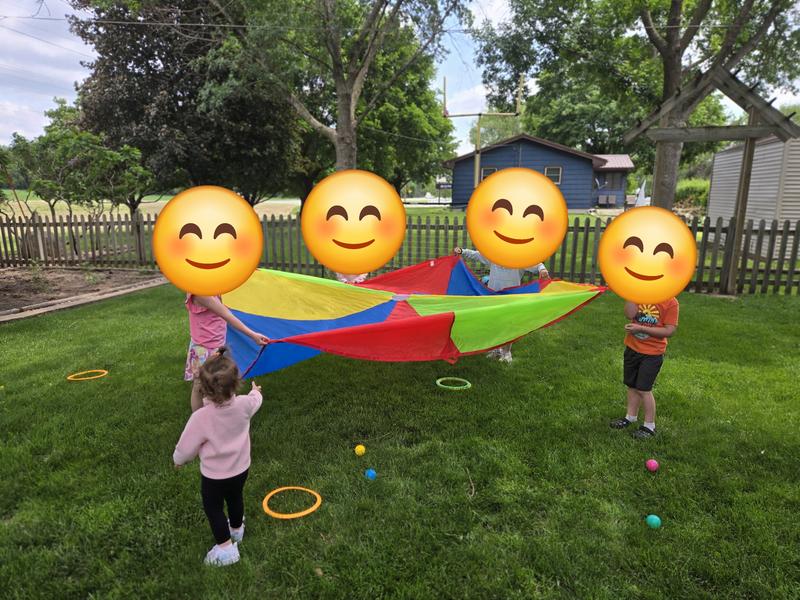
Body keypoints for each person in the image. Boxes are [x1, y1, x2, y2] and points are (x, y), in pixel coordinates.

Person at [174, 349, 263, 567]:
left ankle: (225, 549)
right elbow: (255, 400)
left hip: (214, 477)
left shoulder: (201, 417)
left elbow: (186, 448)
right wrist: (256, 391)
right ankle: (236, 529)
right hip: (241, 469)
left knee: (214, 508)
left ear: (204, 389)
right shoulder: (244, 405)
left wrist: (178, 459)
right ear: (235, 384)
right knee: (235, 498)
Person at [453, 246, 550, 363]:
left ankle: (506, 352)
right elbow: (477, 255)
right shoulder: (494, 257)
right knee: (493, 322)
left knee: (509, 324)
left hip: (511, 297)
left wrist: (542, 269)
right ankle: (495, 349)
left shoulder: (520, 260)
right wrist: (463, 251)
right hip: (494, 296)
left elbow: (535, 264)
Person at [184, 294, 270, 412]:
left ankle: (222, 415)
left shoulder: (210, 288)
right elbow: (227, 315)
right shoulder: (200, 293)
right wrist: (253, 335)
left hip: (216, 346)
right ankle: (198, 418)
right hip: (202, 350)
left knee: (218, 384)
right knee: (199, 386)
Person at [609, 298, 679, 439]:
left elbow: (669, 330)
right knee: (632, 386)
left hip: (652, 354)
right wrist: (630, 296)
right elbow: (629, 314)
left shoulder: (671, 302)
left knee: (644, 389)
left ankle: (649, 426)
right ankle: (630, 416)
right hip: (632, 349)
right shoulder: (639, 294)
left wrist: (641, 328)